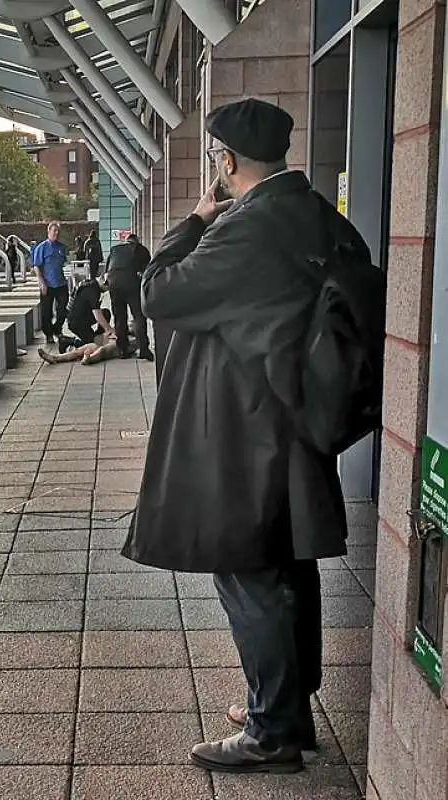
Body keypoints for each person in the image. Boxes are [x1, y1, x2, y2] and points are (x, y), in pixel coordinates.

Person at [121, 98, 372, 775]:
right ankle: (286, 704)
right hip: (300, 421)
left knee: (248, 570)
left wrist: (198, 216)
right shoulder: (321, 218)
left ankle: (271, 732)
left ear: (226, 163)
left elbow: (158, 291)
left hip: (247, 426)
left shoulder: (247, 227)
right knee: (290, 566)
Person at [105, 233, 154, 361]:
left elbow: (107, 269)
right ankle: (143, 349)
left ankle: (122, 350)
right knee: (138, 315)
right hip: (131, 282)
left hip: (113, 282)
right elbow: (148, 270)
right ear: (136, 241)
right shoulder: (140, 249)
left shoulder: (115, 249)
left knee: (119, 317)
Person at [33, 221, 69, 344]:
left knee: (63, 307)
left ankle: (57, 328)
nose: (56, 233)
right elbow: (36, 266)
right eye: (54, 231)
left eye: (58, 231)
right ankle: (48, 333)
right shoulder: (41, 248)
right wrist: (41, 282)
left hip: (61, 283)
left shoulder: (61, 247)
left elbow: (63, 262)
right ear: (48, 231)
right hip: (47, 283)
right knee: (46, 311)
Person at [61, 275, 114, 349]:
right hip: (76, 323)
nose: (106, 290)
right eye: (107, 288)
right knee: (95, 344)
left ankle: (97, 336)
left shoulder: (92, 284)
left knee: (106, 313)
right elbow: (97, 315)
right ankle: (68, 341)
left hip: (84, 317)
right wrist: (109, 330)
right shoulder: (92, 291)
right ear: (104, 283)